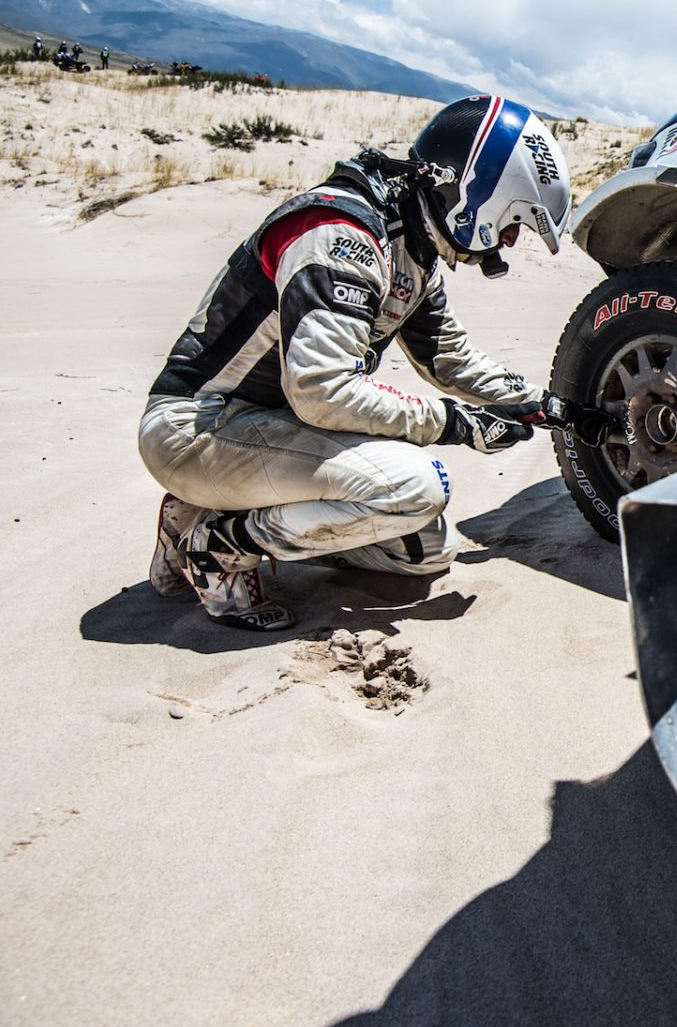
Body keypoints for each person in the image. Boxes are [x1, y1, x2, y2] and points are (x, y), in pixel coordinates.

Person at [138, 95, 611, 631]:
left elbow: (449, 359)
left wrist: (548, 408)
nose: (507, 241)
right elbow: (323, 389)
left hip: (271, 427)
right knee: (415, 487)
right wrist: (457, 424)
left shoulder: (410, 245)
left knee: (426, 552)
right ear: (472, 191)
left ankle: (202, 513)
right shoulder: (343, 236)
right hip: (200, 426)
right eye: (512, 222)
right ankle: (220, 545)